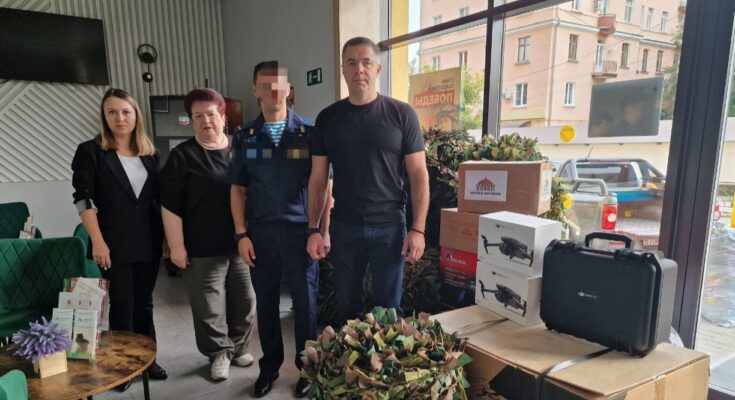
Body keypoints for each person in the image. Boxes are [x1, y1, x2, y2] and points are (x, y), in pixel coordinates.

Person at [306, 37, 430, 325]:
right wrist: (314, 229)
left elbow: (418, 175)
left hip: (390, 228)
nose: (358, 69)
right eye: (351, 63)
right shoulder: (327, 119)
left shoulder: (402, 114)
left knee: (389, 312)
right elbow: (318, 179)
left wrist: (418, 229)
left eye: (366, 62)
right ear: (343, 69)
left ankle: (385, 357)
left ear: (378, 69)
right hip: (344, 227)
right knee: (347, 310)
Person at [229, 61, 331, 398]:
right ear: (255, 90)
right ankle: (269, 367)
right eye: (265, 85)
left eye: (279, 85)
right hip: (261, 235)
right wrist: (241, 235)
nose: (273, 91)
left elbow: (323, 186)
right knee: (267, 305)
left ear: (289, 90)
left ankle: (308, 369)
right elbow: (238, 189)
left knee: (306, 305)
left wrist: (323, 231)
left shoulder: (309, 133)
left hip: (301, 234)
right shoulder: (246, 137)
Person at [71, 88, 167, 392]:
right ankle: (123, 367)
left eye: (126, 111)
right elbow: (84, 200)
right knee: (123, 304)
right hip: (112, 242)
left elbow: (159, 200)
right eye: (112, 112)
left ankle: (148, 360)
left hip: (149, 239)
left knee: (145, 303)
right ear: (104, 116)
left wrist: (167, 238)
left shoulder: (150, 153)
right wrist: (97, 241)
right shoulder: (90, 151)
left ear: (136, 115)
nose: (120, 117)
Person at [159, 88, 256, 382]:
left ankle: (239, 347)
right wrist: (176, 246)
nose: (206, 121)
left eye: (211, 114)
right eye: (198, 116)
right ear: (191, 121)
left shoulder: (242, 148)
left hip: (241, 244)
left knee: (245, 301)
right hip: (201, 246)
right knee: (208, 306)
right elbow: (170, 205)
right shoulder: (182, 156)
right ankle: (219, 353)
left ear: (223, 117)